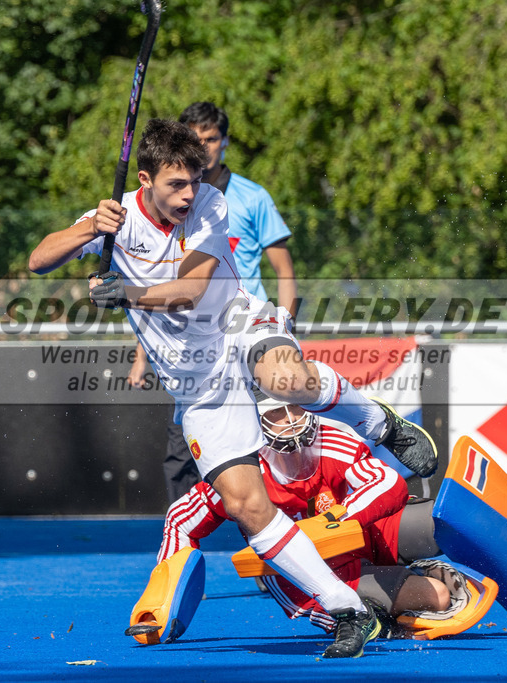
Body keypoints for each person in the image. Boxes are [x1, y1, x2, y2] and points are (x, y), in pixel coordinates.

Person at [27, 118, 437, 658]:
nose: (188, 193)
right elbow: (38, 260)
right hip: (197, 385)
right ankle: (348, 610)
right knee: (245, 505)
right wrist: (89, 230)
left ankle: (378, 422)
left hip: (237, 326)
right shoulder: (115, 216)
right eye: (176, 183)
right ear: (145, 179)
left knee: (285, 379)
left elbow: (191, 290)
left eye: (194, 180)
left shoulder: (209, 206)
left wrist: (124, 291)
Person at [158, 397, 458, 636]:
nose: (292, 419)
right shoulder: (237, 474)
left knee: (447, 522)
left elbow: (388, 482)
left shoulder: (331, 440)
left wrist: (336, 520)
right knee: (439, 596)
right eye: (277, 411)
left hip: (363, 535)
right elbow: (180, 520)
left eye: (295, 406)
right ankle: (383, 604)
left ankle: (416, 572)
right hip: (320, 575)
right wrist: (164, 600)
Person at [127, 102, 299, 503]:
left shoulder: (251, 198)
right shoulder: (166, 205)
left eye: (211, 139)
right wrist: (140, 354)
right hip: (193, 348)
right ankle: (185, 533)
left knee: (279, 445)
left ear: (225, 142)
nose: (204, 147)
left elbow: (284, 270)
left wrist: (285, 326)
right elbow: (159, 290)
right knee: (182, 456)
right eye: (196, 139)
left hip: (246, 332)